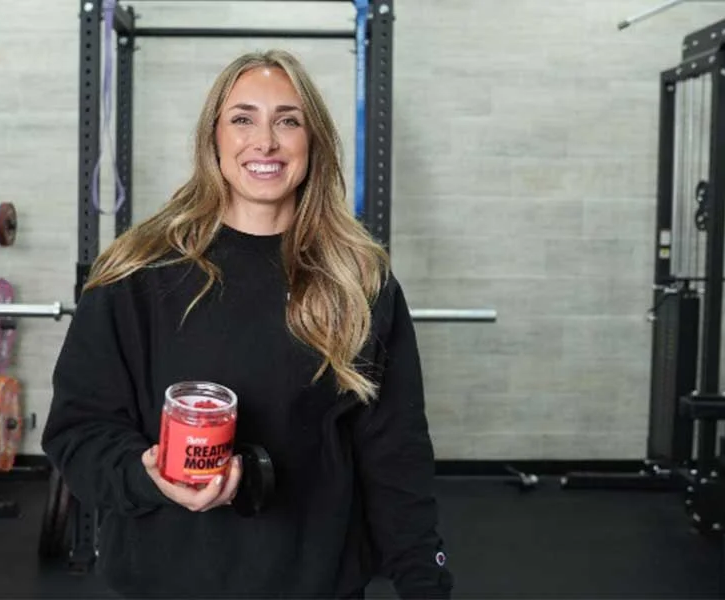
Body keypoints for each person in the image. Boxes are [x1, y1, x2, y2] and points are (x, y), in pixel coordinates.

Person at [41, 48, 453, 599]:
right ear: (213, 138)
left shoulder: (359, 281)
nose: (266, 142)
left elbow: (396, 452)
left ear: (314, 141)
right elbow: (79, 432)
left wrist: (424, 580)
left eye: (288, 120)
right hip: (165, 582)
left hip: (316, 585)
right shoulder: (137, 272)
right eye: (242, 119)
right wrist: (148, 475)